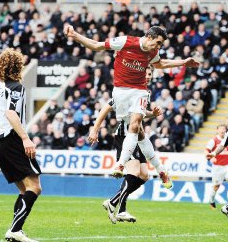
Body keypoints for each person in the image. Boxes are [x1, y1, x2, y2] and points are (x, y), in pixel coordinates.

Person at [64, 24, 200, 178]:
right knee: (139, 132)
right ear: (149, 37)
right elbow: (96, 46)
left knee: (135, 125)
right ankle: (161, 170)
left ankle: (120, 164)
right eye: (158, 42)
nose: (159, 46)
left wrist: (183, 62)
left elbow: (160, 64)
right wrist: (75, 36)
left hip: (139, 90)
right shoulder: (125, 42)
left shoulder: (153, 51)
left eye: (161, 44)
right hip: (121, 91)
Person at [88, 67, 171, 224]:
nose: (147, 76)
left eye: (149, 74)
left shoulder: (144, 92)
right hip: (125, 135)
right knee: (133, 172)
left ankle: (116, 204)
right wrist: (94, 130)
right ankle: (117, 206)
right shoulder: (130, 90)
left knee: (144, 175)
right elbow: (106, 107)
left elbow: (139, 113)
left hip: (137, 135)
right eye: (145, 73)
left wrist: (152, 113)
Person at [0, 48, 42, 242]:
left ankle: (15, 232)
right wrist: (25, 138)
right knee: (34, 187)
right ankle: (15, 230)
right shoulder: (15, 87)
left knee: (24, 190)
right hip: (12, 140)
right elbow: (11, 114)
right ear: (18, 66)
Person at [204, 124, 228, 209]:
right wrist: (210, 159)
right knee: (216, 187)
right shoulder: (213, 140)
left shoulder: (227, 139)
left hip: (227, 165)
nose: (223, 130)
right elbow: (206, 150)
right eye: (221, 129)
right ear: (217, 130)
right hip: (217, 167)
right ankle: (211, 200)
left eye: (224, 129)